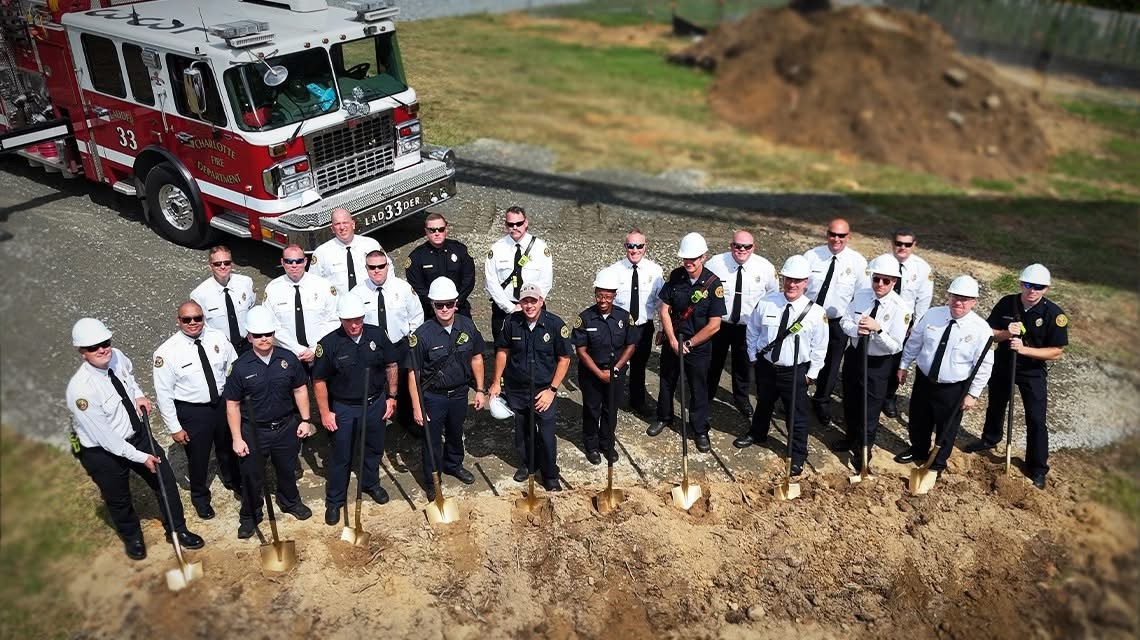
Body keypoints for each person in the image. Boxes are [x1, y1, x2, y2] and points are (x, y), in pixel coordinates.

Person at [66, 318, 204, 560]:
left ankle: (178, 530)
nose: (102, 349)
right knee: (118, 498)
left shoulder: (117, 356)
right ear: (82, 352)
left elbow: (129, 380)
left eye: (105, 342)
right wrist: (141, 457)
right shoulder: (81, 391)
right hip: (102, 451)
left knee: (165, 483)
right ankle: (133, 538)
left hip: (137, 433)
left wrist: (139, 396)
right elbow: (107, 439)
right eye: (93, 347)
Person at [966, 264, 1067, 489]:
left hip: (1032, 370)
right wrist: (1005, 333)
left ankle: (1037, 467)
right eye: (1028, 285)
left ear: (1046, 288)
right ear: (1021, 284)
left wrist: (1024, 350)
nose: (1032, 290)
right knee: (996, 404)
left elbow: (1056, 351)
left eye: (1038, 287)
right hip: (1003, 363)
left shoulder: (1054, 314)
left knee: (1036, 418)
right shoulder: (1006, 303)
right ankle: (990, 439)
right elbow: (989, 332)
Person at [223, 306, 315, 539]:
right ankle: (250, 515)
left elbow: (300, 389)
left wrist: (305, 419)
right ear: (249, 336)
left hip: (285, 427)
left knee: (287, 469)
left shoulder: (288, 359)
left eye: (268, 334)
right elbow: (232, 405)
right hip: (253, 431)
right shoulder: (241, 367)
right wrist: (236, 438)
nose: (264, 339)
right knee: (252, 476)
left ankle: (290, 502)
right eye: (258, 335)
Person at [734, 256, 828, 478]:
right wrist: (752, 356)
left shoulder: (815, 313)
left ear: (805, 282)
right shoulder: (767, 302)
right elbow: (753, 330)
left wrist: (811, 375)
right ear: (782, 278)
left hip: (795, 371)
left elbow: (820, 347)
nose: (792, 285)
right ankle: (757, 434)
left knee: (796, 414)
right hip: (766, 366)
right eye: (788, 279)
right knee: (763, 403)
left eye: (797, 281)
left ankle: (797, 454)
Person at [312, 294, 399, 525]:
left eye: (358, 320)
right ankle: (335, 500)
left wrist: (391, 397)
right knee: (341, 455)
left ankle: (371, 483)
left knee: (373, 448)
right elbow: (319, 380)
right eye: (348, 320)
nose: (354, 325)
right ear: (340, 319)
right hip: (344, 407)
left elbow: (391, 364)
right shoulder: (328, 344)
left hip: (374, 403)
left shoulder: (377, 335)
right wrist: (324, 412)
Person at [895, 276, 994, 473]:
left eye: (965, 299)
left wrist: (973, 394)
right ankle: (918, 450)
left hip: (953, 388)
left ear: (974, 302)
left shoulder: (981, 329)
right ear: (948, 296)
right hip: (924, 380)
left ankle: (937, 463)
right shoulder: (933, 315)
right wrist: (903, 365)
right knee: (918, 419)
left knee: (946, 428)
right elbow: (915, 341)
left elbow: (984, 365)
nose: (959, 302)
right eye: (955, 297)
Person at [152, 300, 239, 521]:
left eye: (197, 318)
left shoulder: (217, 338)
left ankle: (232, 480)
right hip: (193, 412)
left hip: (221, 403)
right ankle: (200, 497)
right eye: (186, 319)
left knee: (227, 445)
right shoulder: (167, 352)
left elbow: (233, 364)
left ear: (203, 318)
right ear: (178, 321)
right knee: (198, 457)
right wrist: (174, 427)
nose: (193, 323)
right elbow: (163, 394)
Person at [406, 278, 486, 499]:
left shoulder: (467, 326)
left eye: (448, 304)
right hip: (433, 397)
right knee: (431, 440)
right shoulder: (422, 335)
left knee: (455, 431)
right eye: (439, 304)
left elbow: (477, 357)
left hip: (459, 393)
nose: (444, 309)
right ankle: (433, 478)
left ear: (456, 303)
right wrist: (416, 406)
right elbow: (413, 373)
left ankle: (453, 464)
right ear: (431, 305)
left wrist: (480, 389)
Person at [489, 282, 572, 491]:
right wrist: (496, 382)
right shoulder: (511, 322)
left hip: (543, 390)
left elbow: (564, 359)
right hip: (517, 388)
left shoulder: (554, 325)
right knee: (522, 431)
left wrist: (552, 391)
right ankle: (528, 465)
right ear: (520, 303)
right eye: (525, 301)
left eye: (533, 301)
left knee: (545, 434)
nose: (529, 305)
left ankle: (550, 474)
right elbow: (502, 352)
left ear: (541, 301)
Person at [647, 232, 726, 453]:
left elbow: (714, 325)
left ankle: (699, 429)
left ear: (703, 257)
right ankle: (664, 417)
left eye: (693, 258)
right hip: (675, 340)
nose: (688, 263)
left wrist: (689, 344)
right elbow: (664, 309)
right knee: (666, 382)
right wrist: (672, 340)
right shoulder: (676, 276)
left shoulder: (713, 285)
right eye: (685, 259)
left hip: (698, 346)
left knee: (698, 387)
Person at [837, 255, 909, 471]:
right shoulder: (861, 296)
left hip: (878, 363)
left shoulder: (900, 308)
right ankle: (850, 438)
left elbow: (895, 346)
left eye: (885, 281)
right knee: (850, 401)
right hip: (855, 356)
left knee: (869, 410)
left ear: (894, 282)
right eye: (876, 279)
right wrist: (856, 330)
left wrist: (878, 330)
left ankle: (863, 451)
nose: (879, 285)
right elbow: (844, 321)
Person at [705, 229, 779, 421]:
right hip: (720, 323)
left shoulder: (765, 268)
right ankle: (707, 394)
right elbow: (704, 289)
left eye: (747, 246)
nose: (741, 250)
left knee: (743, 365)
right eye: (737, 246)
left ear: (753, 247)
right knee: (713, 362)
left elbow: (772, 296)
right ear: (731, 246)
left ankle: (741, 398)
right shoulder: (715, 264)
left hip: (748, 326)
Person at [803, 218, 867, 426]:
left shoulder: (857, 262)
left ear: (848, 236)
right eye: (833, 234)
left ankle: (821, 399)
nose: (836, 239)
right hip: (808, 318)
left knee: (831, 364)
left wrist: (854, 323)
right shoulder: (811, 256)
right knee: (803, 356)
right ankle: (795, 395)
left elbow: (861, 296)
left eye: (841, 235)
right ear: (826, 234)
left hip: (837, 322)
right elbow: (799, 286)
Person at [351, 248, 424, 427]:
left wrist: (410, 341)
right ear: (366, 268)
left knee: (406, 386)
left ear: (387, 266)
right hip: (372, 348)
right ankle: (376, 423)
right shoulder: (357, 293)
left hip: (399, 345)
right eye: (372, 267)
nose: (377, 270)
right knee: (373, 387)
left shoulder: (403, 288)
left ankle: (408, 421)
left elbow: (416, 316)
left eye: (381, 266)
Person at [571, 270, 638, 465]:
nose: (603, 300)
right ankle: (591, 446)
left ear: (614, 296)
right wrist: (599, 373)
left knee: (611, 410)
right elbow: (581, 350)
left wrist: (615, 369)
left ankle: (607, 443)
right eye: (599, 295)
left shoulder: (624, 317)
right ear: (595, 293)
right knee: (592, 409)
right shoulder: (584, 318)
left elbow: (630, 345)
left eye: (607, 296)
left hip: (616, 372)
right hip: (591, 373)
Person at [601, 228, 664, 416]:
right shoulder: (613, 271)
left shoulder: (655, 271)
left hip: (644, 327)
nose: (635, 250)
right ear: (625, 246)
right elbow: (604, 300)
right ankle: (611, 401)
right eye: (631, 246)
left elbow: (661, 302)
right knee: (616, 363)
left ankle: (637, 401)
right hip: (620, 327)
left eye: (639, 246)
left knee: (639, 365)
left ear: (645, 247)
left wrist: (661, 328)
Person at [875, 228, 933, 418]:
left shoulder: (922, 269)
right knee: (877, 355)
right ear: (892, 243)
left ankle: (889, 396)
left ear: (914, 245)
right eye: (898, 243)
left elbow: (923, 302)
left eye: (907, 244)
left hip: (904, 323)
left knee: (897, 360)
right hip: (880, 317)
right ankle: (874, 391)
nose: (902, 247)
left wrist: (915, 329)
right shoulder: (880, 262)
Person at [483, 206, 553, 342]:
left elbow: (546, 281)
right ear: (506, 225)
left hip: (533, 306)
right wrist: (510, 308)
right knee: (503, 348)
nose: (515, 227)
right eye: (511, 224)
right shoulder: (497, 248)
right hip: (505, 308)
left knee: (535, 346)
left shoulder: (540, 248)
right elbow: (491, 282)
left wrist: (531, 304)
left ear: (525, 222)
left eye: (519, 223)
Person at [262, 245, 339, 367]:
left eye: (298, 261)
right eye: (288, 261)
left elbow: (333, 320)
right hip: (288, 354)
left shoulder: (323, 286)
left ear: (305, 261)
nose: (294, 265)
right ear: (282, 262)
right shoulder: (273, 289)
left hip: (322, 351)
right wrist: (298, 349)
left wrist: (315, 349)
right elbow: (272, 325)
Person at [405, 212, 476, 318]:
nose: (437, 233)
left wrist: (455, 304)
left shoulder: (460, 250)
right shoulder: (417, 257)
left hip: (459, 308)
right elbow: (417, 287)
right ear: (426, 231)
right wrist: (436, 306)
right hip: (430, 312)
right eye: (432, 230)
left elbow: (468, 280)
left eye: (441, 229)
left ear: (446, 229)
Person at [190, 245, 256, 354]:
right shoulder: (199, 294)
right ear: (210, 266)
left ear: (232, 264)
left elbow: (251, 308)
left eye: (226, 263)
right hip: (220, 348)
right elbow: (200, 326)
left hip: (247, 344)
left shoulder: (246, 283)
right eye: (217, 264)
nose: (223, 266)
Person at [311, 208, 382, 296]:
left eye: (345, 222)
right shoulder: (321, 253)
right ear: (332, 228)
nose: (342, 227)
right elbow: (313, 283)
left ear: (353, 224)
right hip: (338, 306)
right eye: (337, 224)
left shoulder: (371, 245)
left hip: (371, 301)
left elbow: (387, 270)